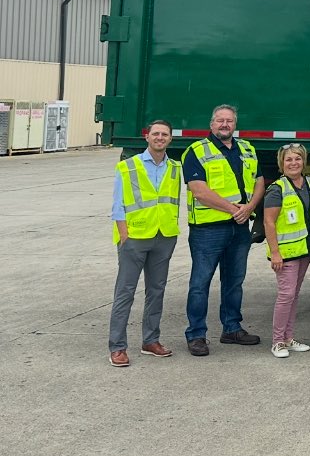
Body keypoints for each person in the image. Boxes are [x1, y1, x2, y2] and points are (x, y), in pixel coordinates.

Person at [182, 104, 266, 356]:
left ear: (235, 124)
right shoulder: (196, 151)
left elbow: (259, 181)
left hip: (238, 228)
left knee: (234, 282)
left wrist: (249, 207)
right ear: (211, 124)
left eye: (229, 121)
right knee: (200, 283)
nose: (225, 125)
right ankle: (196, 335)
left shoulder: (247, 149)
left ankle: (231, 328)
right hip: (208, 230)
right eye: (220, 120)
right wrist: (234, 210)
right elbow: (199, 191)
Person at [107, 120, 181, 367]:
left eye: (164, 134)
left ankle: (151, 340)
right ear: (147, 137)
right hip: (135, 237)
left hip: (164, 236)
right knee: (125, 292)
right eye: (155, 134)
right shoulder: (128, 166)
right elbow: (118, 204)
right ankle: (117, 347)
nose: (160, 137)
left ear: (170, 139)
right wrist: (124, 235)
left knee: (156, 291)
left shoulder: (175, 168)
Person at [263, 143, 310, 359]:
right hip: (285, 253)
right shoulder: (277, 189)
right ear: (281, 164)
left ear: (303, 162)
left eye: (297, 159)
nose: (293, 163)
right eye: (288, 159)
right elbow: (269, 222)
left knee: (294, 295)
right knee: (286, 295)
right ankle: (277, 341)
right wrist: (275, 253)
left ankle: (288, 338)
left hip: (304, 249)